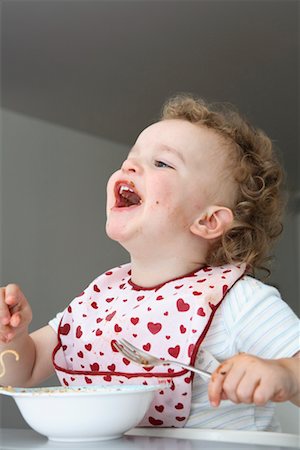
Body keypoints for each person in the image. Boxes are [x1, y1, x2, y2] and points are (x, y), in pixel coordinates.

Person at [0, 94, 299, 431]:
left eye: (162, 163)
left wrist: (286, 374)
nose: (129, 167)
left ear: (208, 221)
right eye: (131, 158)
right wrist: (11, 338)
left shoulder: (238, 301)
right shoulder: (98, 301)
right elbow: (23, 371)